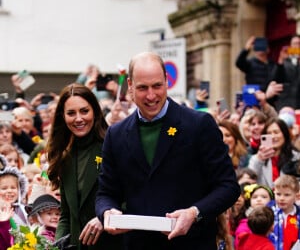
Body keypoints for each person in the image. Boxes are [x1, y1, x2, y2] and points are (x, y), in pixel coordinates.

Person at [95, 52, 240, 250]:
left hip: (191, 244)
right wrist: (108, 212)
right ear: (130, 85)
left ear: (166, 81)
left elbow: (228, 186)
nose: (151, 95)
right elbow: (106, 193)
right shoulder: (116, 134)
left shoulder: (198, 125)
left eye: (157, 85)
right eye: (142, 88)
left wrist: (194, 213)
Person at [46, 83, 121, 249]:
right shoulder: (65, 156)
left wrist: (105, 217)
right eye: (71, 113)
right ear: (63, 117)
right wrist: (55, 246)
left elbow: (131, 199)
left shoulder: (113, 146)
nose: (78, 118)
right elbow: (66, 215)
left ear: (94, 111)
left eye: (84, 111)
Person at [248, 118, 300, 187]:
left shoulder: (296, 157)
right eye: (269, 133)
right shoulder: (256, 159)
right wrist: (259, 160)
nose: (272, 136)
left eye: (276, 132)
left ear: (284, 134)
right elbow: (249, 179)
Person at [268, 174, 300, 250]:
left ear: (296, 196)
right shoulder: (268, 212)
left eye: (287, 195)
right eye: (278, 194)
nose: (282, 198)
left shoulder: (298, 216)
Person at [272, 35, 300, 110]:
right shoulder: (284, 62)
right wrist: (281, 61)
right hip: (285, 104)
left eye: (299, 44)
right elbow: (275, 79)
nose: (297, 46)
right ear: (290, 46)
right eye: (295, 44)